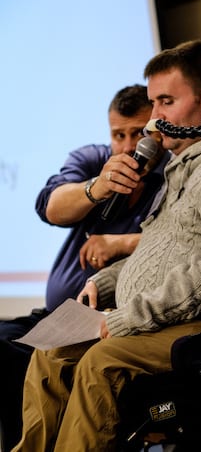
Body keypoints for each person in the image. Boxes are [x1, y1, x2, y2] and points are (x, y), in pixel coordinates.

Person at [13, 40, 201, 452]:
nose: (155, 118)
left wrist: (125, 319)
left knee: (100, 364)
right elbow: (164, 251)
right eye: (154, 102)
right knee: (50, 352)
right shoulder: (182, 168)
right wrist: (105, 283)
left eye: (166, 102)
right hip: (178, 318)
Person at [0, 84, 170, 452]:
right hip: (57, 312)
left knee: (28, 362)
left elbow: (183, 238)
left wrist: (120, 242)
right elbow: (51, 207)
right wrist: (99, 187)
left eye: (139, 134)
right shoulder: (95, 161)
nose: (127, 147)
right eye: (118, 135)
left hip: (110, 318)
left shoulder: (171, 175)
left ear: (157, 130)